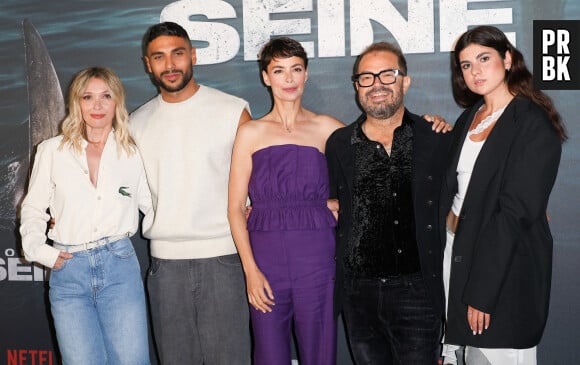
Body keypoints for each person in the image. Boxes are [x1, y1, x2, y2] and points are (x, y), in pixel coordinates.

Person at [440, 25, 566, 365]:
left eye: (484, 58)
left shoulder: (531, 122)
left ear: (507, 59)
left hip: (502, 267)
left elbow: (516, 212)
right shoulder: (468, 119)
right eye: (466, 65)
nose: (475, 71)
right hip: (456, 254)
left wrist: (483, 292)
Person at [129, 22, 252, 364]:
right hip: (165, 269)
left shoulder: (232, 111)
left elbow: (256, 184)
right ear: (147, 64)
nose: (169, 65)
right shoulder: (134, 124)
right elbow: (124, 192)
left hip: (224, 261)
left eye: (178, 54)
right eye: (159, 57)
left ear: (193, 55)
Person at [325, 41, 452, 364]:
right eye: (366, 77)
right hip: (358, 294)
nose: (377, 84)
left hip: (419, 290)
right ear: (356, 87)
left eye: (387, 75)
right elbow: (331, 202)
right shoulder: (340, 144)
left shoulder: (434, 137)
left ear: (405, 81)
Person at [19, 66, 152, 365]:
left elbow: (151, 205)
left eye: (106, 96)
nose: (97, 105)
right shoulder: (51, 151)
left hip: (119, 266)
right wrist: (39, 251)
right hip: (69, 272)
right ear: (75, 103)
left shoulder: (132, 152)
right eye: (88, 96)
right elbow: (32, 208)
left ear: (117, 101)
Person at [227, 37, 344, 365]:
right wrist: (250, 271)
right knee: (269, 355)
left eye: (296, 69)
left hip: (318, 257)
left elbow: (374, 173)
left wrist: (336, 205)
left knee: (320, 354)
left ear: (306, 74)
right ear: (266, 77)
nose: (289, 79)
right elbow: (236, 208)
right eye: (279, 70)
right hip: (265, 260)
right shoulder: (250, 132)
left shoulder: (328, 128)